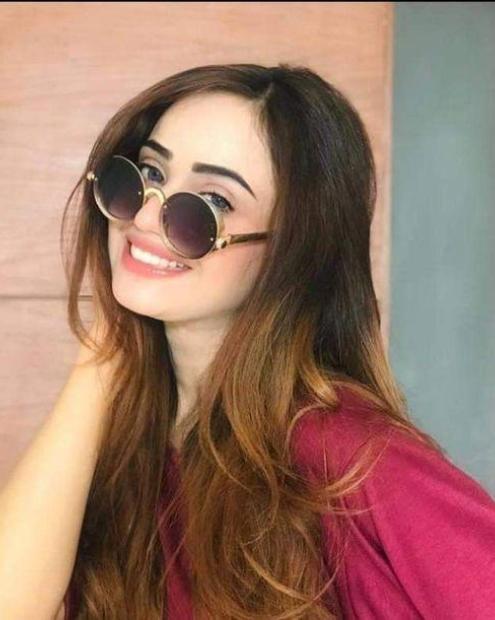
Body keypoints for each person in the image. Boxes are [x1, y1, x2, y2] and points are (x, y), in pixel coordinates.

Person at [1, 63, 494, 620]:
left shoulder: (347, 454)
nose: (147, 215)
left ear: (290, 251)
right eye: (149, 173)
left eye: (212, 203)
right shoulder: (135, 440)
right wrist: (106, 351)